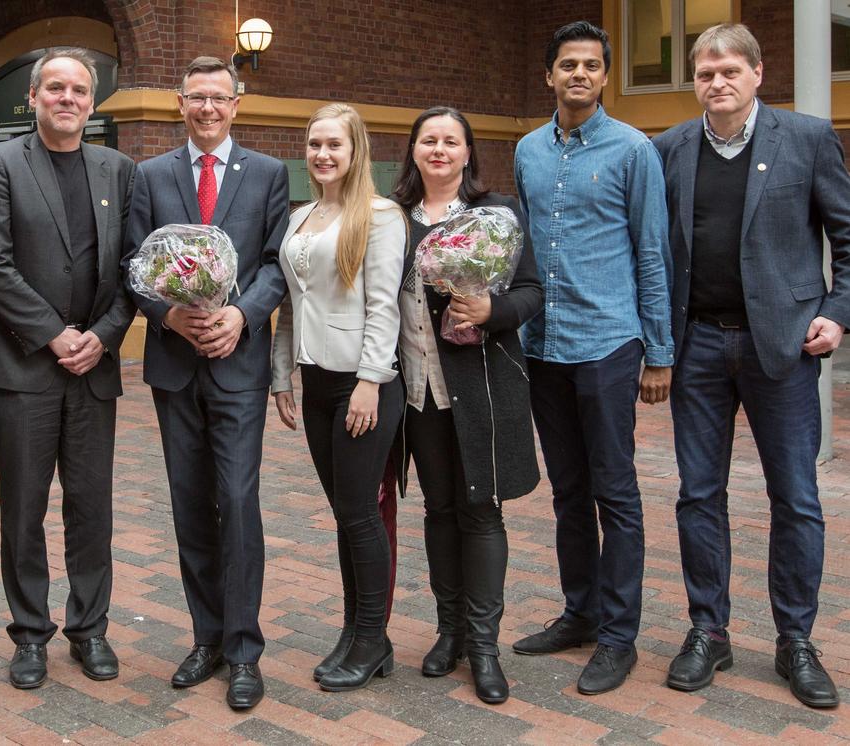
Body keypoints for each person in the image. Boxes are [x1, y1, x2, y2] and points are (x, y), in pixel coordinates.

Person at [653, 23, 850, 709]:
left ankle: (796, 639)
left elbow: (848, 239)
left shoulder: (807, 139)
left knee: (795, 497)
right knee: (698, 494)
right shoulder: (668, 149)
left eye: (730, 70)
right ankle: (710, 629)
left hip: (784, 348)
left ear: (759, 73)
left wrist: (838, 310)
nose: (717, 82)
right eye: (706, 73)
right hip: (698, 347)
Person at [512, 20, 673, 695]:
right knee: (569, 491)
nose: (578, 74)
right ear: (549, 75)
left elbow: (652, 253)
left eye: (590, 65)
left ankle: (618, 635)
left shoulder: (635, 151)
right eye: (567, 64)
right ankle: (579, 612)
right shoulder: (526, 151)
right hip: (544, 346)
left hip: (608, 344)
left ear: (605, 77)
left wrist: (658, 352)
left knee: (616, 491)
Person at [0, 48, 136, 690]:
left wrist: (104, 335)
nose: (67, 98)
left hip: (94, 367)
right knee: (24, 508)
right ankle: (30, 634)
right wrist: (52, 336)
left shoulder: (118, 169)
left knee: (91, 507)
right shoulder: (1, 162)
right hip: (23, 367)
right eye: (55, 88)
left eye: (79, 90)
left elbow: (134, 269)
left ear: (91, 104)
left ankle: (89, 631)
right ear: (33, 97)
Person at [123, 55, 289, 710]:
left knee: (238, 500)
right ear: (180, 103)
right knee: (190, 500)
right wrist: (168, 315)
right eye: (197, 97)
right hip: (174, 364)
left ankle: (245, 649)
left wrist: (241, 316)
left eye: (220, 98)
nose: (209, 109)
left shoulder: (270, 174)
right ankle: (206, 638)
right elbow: (135, 266)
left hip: (239, 364)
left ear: (237, 104)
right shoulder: (151, 176)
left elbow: (276, 264)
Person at [389, 106, 542, 705]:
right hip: (419, 389)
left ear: (467, 152)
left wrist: (490, 312)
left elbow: (531, 290)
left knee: (481, 508)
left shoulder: (494, 216)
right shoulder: (393, 221)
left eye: (451, 141)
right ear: (414, 151)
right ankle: (448, 631)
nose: (439, 150)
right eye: (429, 140)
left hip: (479, 386)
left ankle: (483, 645)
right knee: (438, 508)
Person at [270, 104, 405, 693]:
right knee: (344, 516)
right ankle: (356, 630)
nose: (323, 155)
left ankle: (372, 639)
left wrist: (372, 382)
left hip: (362, 384)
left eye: (335, 146)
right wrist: (282, 377)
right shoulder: (301, 217)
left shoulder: (380, 216)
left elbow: (384, 304)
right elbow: (288, 306)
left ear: (356, 152)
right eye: (314, 144)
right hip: (316, 380)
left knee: (359, 512)